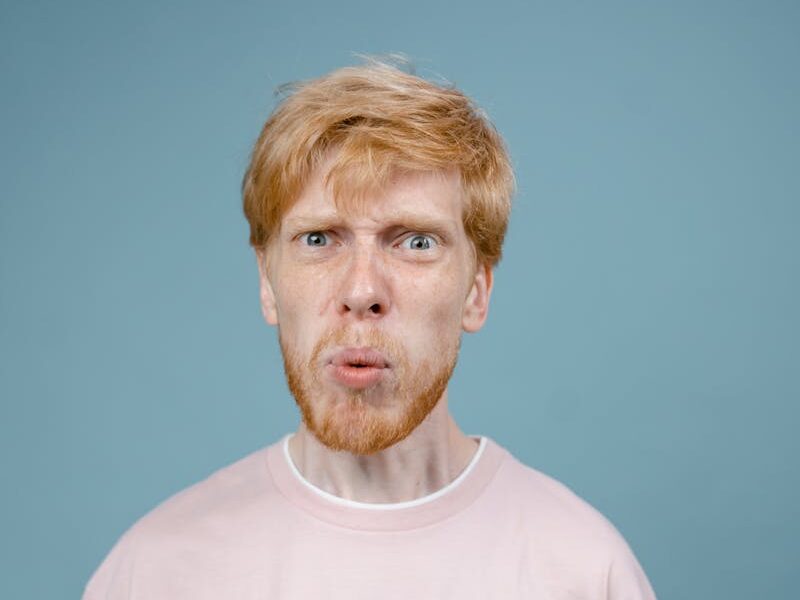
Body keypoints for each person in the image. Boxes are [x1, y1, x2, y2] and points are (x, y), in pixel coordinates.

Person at [83, 60, 657, 599]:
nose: (361, 292)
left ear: (477, 291)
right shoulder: (155, 572)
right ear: (267, 282)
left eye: (416, 242)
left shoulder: (584, 571)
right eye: (318, 239)